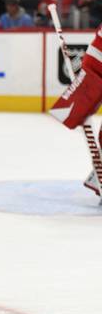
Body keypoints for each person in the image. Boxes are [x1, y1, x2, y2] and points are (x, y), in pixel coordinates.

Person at [49, 24, 102, 196]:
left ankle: (98, 175)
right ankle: (98, 175)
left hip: (94, 64)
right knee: (76, 111)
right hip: (97, 66)